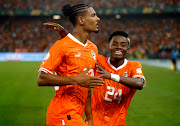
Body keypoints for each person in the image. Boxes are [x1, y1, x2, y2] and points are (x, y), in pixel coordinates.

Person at [44, 23, 146, 126]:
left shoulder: (133, 66)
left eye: (123, 45)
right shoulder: (99, 61)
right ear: (108, 47)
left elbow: (139, 83)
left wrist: (110, 76)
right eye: (114, 44)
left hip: (117, 123)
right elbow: (76, 49)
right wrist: (64, 34)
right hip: (94, 122)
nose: (118, 47)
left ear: (128, 48)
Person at [37, 4, 103, 126]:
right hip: (62, 114)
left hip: (77, 114)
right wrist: (76, 80)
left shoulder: (93, 48)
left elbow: (88, 87)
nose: (98, 19)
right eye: (93, 15)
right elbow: (41, 78)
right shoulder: (61, 45)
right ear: (81, 20)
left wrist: (89, 117)